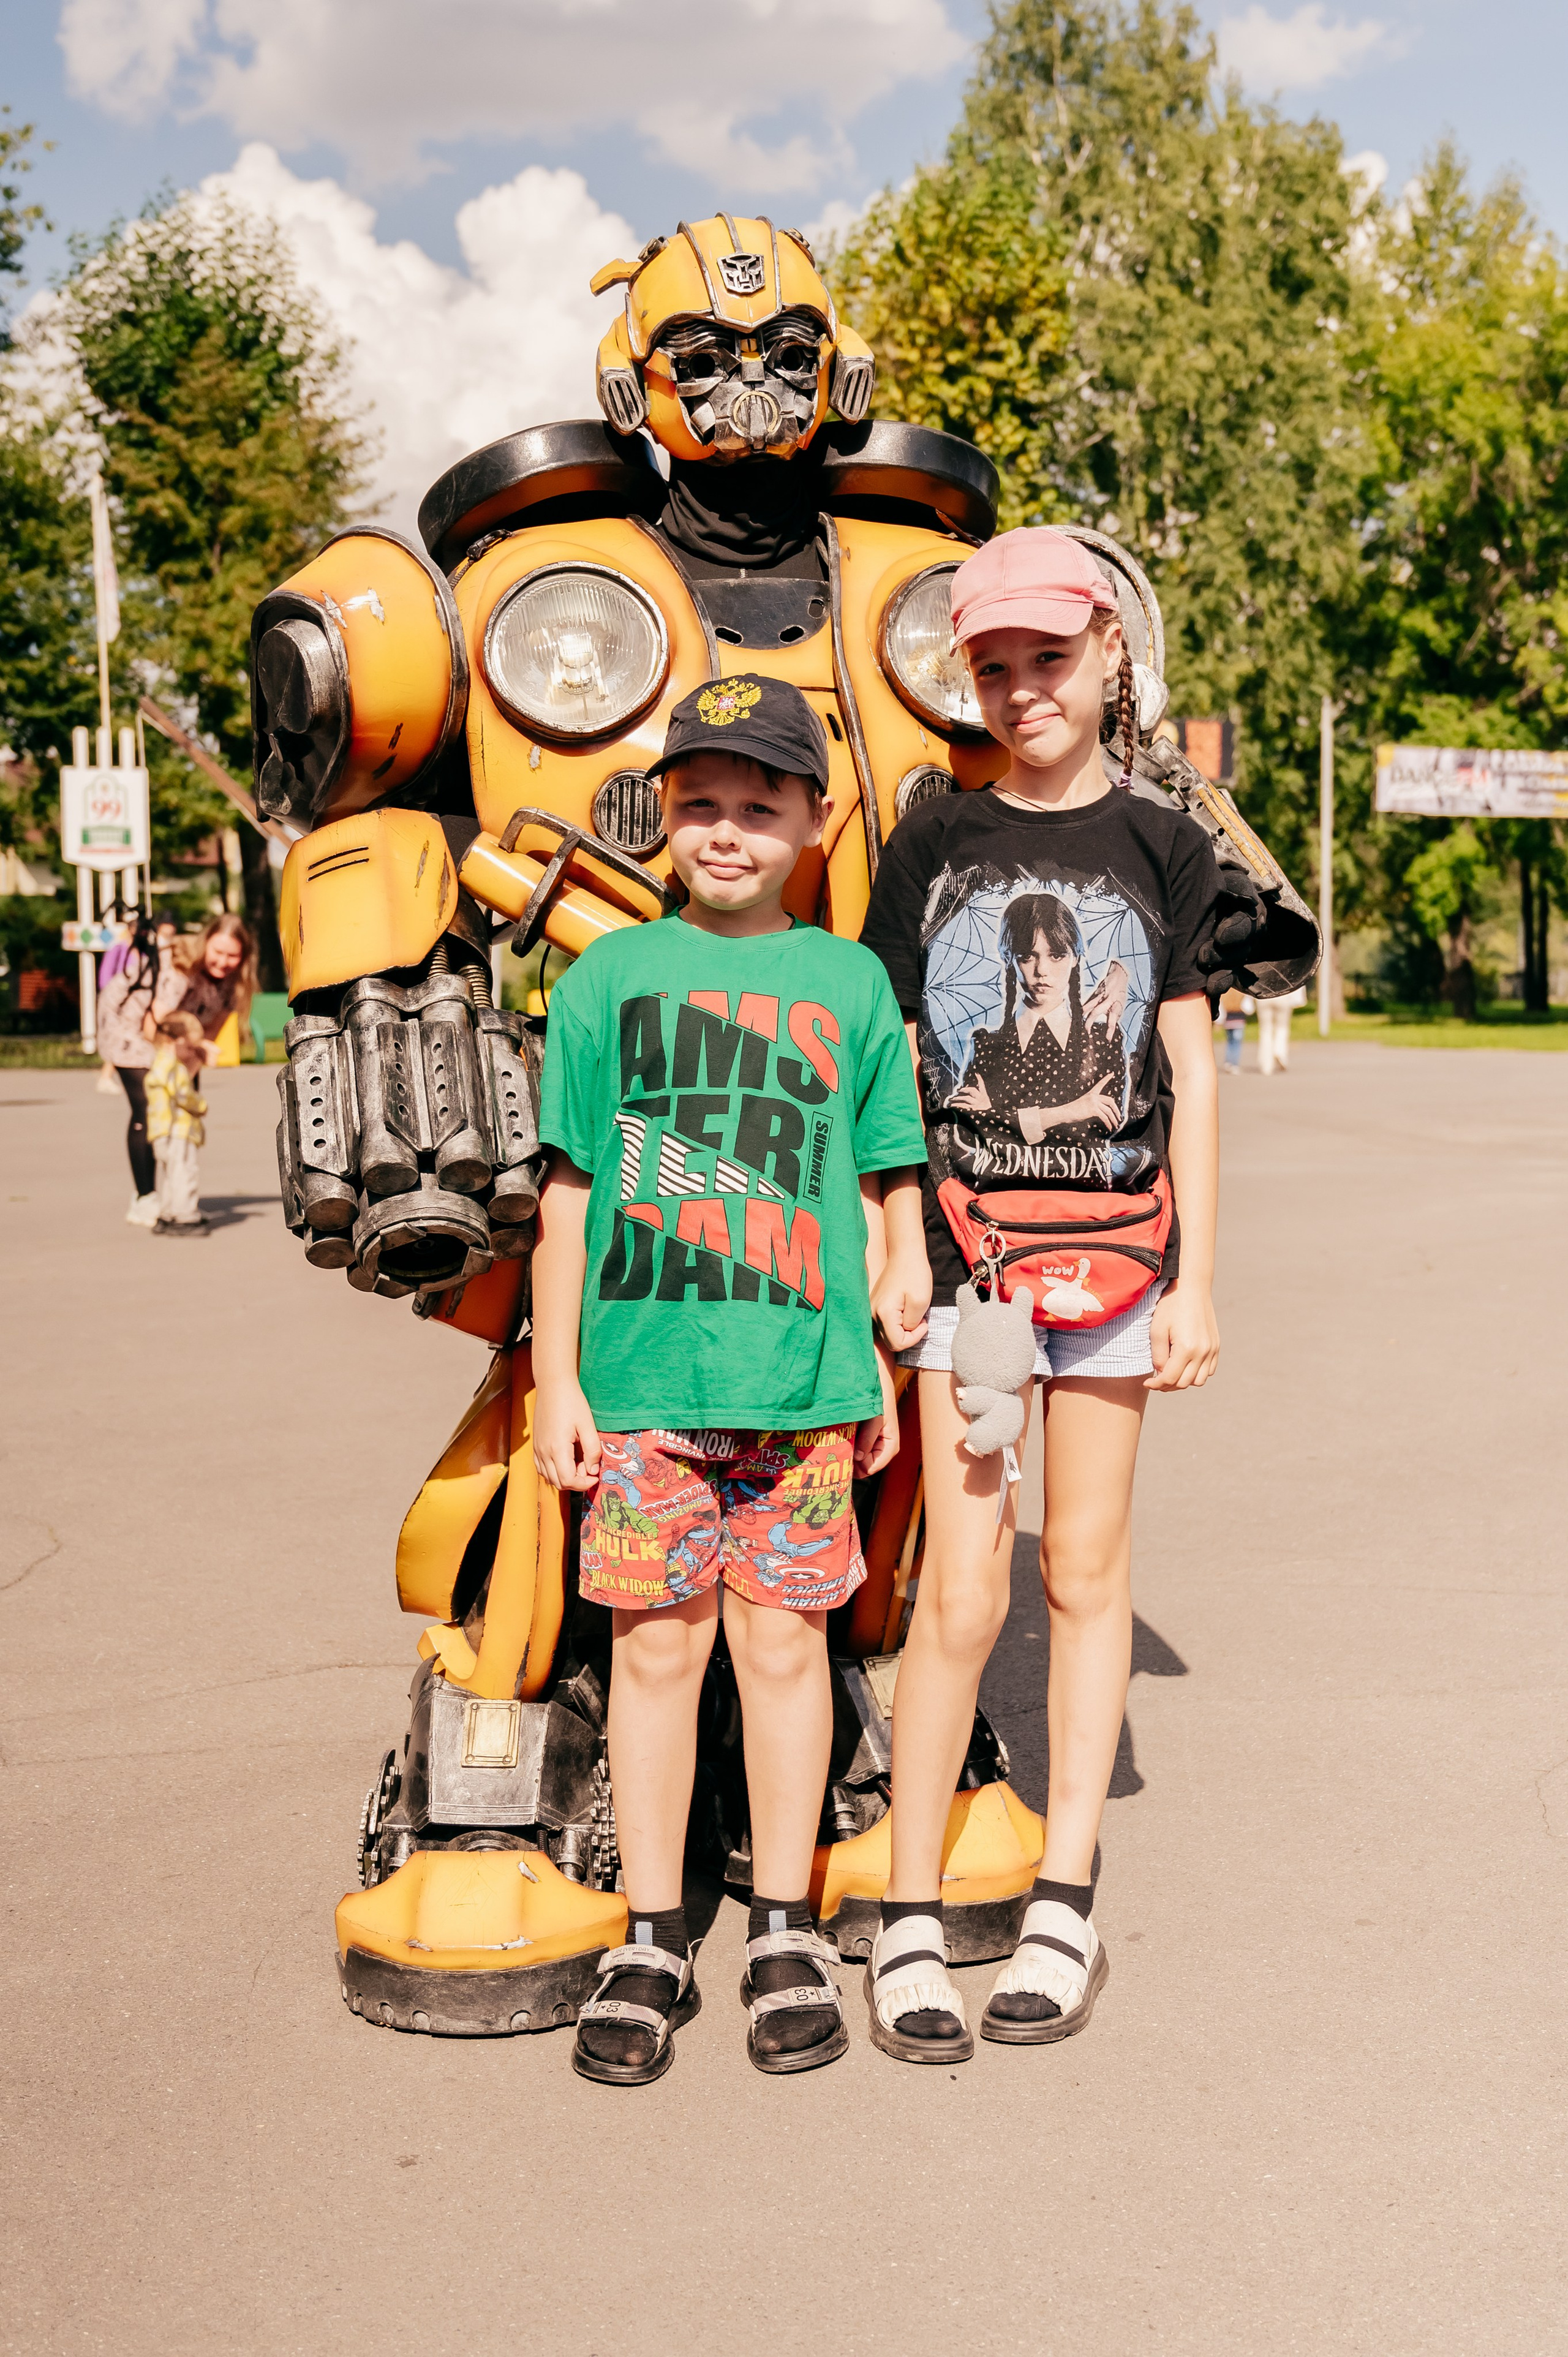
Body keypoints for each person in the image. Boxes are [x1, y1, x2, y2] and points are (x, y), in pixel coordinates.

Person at [530, 674, 930, 2086]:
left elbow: (882, 1169)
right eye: (698, 801)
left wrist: (893, 1296)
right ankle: (650, 1934)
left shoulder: (848, 982)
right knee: (654, 1652)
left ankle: (780, 1921)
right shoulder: (605, 979)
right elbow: (566, 1193)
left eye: (758, 805)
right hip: (642, 1387)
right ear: (661, 815)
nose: (724, 828)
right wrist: (557, 1379)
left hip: (803, 1386)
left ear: (812, 822)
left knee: (781, 1651)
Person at [858, 526, 1222, 2064]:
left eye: (1048, 658)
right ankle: (907, 1907)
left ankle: (1063, 1890)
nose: (1021, 690)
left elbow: (1187, 1069)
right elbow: (883, 1064)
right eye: (993, 666)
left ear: (1107, 652)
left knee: (1081, 1569)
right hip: (968, 1264)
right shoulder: (931, 841)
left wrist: (1198, 1276)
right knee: (960, 1590)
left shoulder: (1166, 844)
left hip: (1121, 1260)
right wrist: (890, 1237)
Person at [96, 913, 180, 1225]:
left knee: (166, 1112)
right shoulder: (141, 957)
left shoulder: (173, 966)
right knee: (145, 1108)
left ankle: (167, 1194)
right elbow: (149, 1019)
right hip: (124, 1031)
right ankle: (144, 1197)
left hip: (149, 1035)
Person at [144, 1008, 209, 1234]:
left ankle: (168, 1213)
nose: (191, 1054)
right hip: (178, 1130)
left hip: (161, 1130)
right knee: (185, 1173)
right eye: (190, 1048)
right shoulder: (173, 1067)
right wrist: (201, 1106)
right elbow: (182, 1095)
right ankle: (185, 1216)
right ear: (178, 1041)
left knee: (171, 1175)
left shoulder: (158, 1063)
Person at [1256, 984, 1307, 1076]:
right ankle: (1279, 1051)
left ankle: (1266, 1064)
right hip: (1283, 995)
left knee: (1265, 1030)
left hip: (1263, 995)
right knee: (1282, 1027)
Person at [1216, 986, 1247, 1076]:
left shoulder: (1225, 993)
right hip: (1239, 1021)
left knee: (1230, 1043)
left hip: (1228, 1022)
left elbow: (1221, 1008)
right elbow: (1248, 1008)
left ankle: (1228, 1062)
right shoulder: (1242, 993)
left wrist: (1219, 1022)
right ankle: (1234, 1064)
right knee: (1236, 1044)